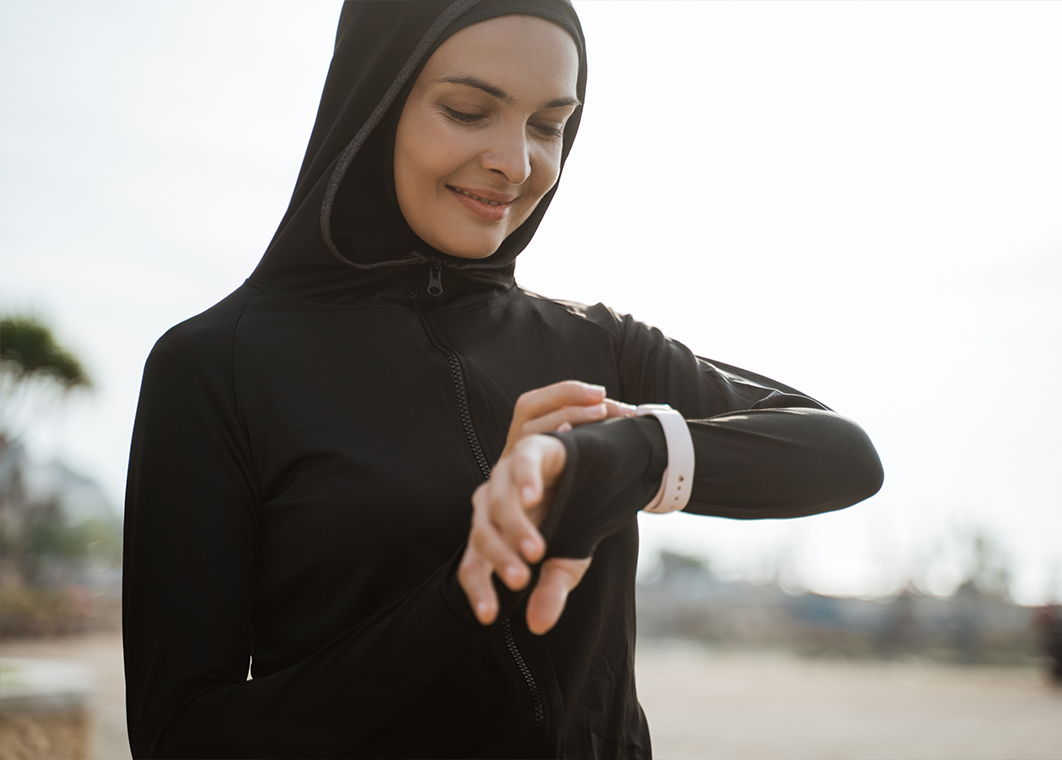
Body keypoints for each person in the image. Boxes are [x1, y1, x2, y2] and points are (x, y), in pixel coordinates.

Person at [121, 1, 884, 758]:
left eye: (548, 125)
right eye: (467, 110)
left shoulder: (595, 343)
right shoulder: (214, 366)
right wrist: (468, 591)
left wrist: (623, 456)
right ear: (373, 99)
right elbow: (183, 737)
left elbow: (845, 456)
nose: (517, 164)